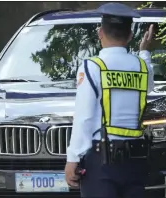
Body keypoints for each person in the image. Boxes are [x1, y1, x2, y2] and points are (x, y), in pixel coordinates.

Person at [65, 2, 154, 198]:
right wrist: (144, 52)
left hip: (101, 161)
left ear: (100, 33)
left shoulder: (92, 67)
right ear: (130, 35)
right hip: (135, 161)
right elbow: (149, 86)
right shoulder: (142, 67)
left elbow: (84, 116)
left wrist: (73, 158)